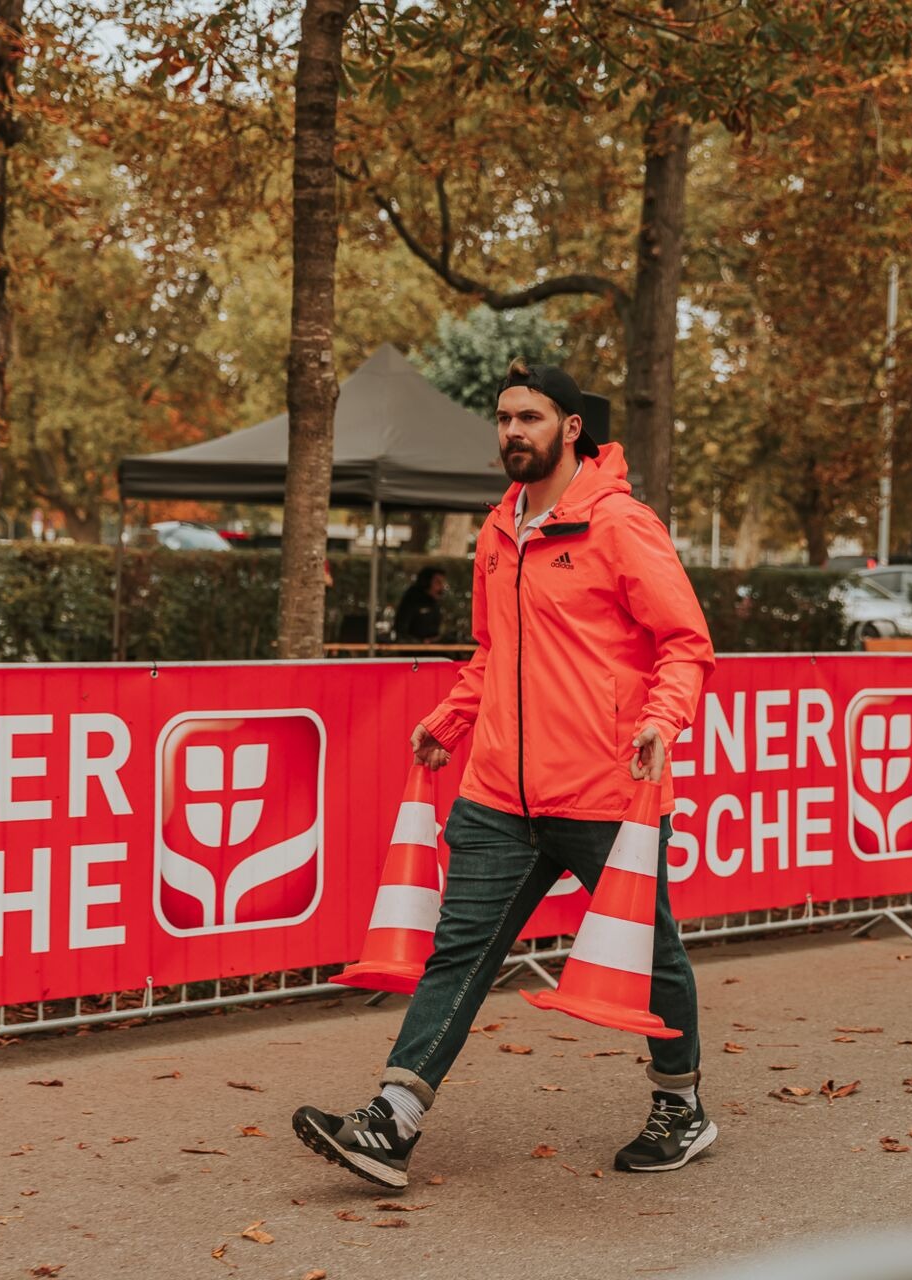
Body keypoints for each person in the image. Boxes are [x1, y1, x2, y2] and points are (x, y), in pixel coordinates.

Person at [293, 359, 717, 1188]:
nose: (513, 431)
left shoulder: (620, 524)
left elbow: (685, 643)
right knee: (459, 954)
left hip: (605, 790)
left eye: (530, 417)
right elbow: (494, 654)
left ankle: (681, 1105)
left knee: (652, 955)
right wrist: (450, 720)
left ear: (571, 428)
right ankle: (392, 1121)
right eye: (504, 417)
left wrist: (663, 721)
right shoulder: (497, 530)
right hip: (498, 794)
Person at [393, 566, 447, 643]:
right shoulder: (411, 600)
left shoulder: (435, 603)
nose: (441, 587)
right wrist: (421, 642)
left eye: (442, 583)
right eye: (438, 582)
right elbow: (401, 632)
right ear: (426, 582)